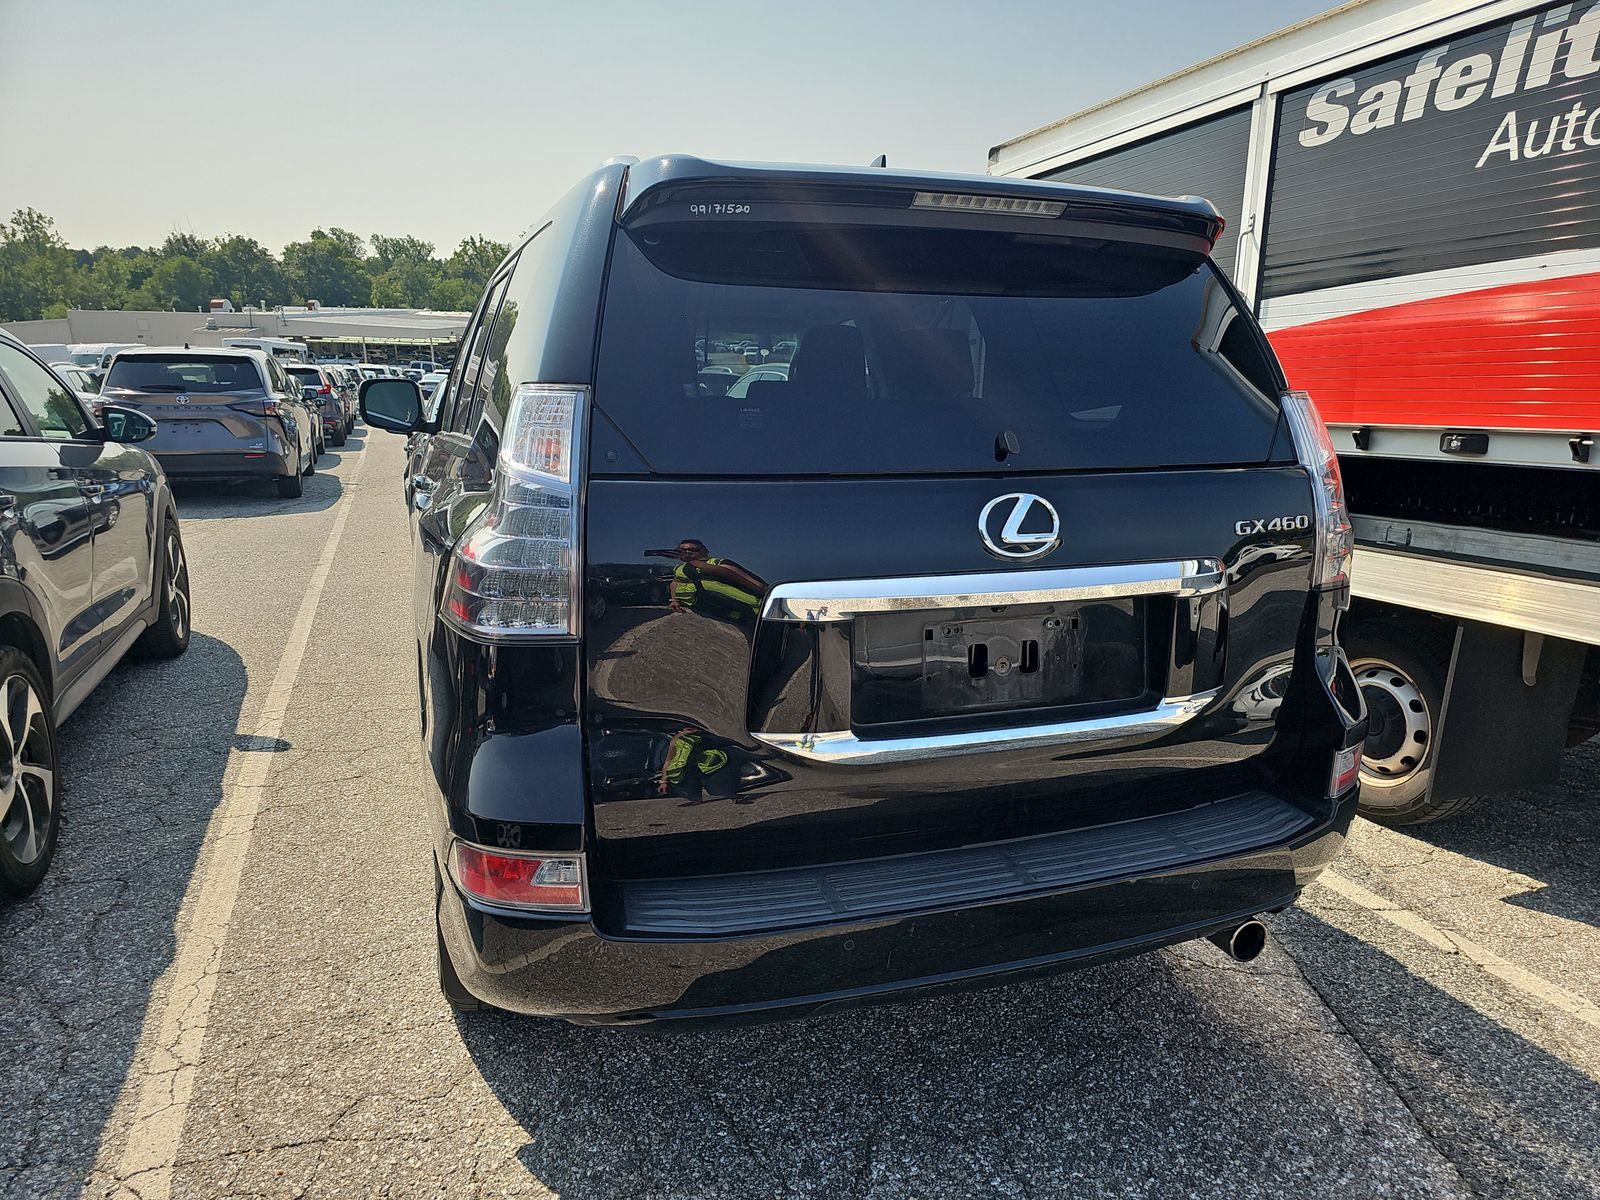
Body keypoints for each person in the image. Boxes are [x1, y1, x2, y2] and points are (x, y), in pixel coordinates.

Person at [647, 539, 766, 622]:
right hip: (704, 610)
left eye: (693, 550)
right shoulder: (679, 568)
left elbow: (745, 579)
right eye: (681, 550)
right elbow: (675, 582)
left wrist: (702, 566)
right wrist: (674, 600)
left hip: (745, 609)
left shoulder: (716, 562)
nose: (687, 552)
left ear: (705, 551)